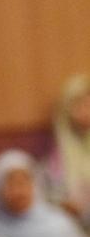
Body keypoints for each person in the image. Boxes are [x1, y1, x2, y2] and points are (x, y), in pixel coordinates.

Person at [47, 74, 90, 227]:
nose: (87, 111)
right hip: (75, 225)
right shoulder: (58, 155)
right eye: (80, 105)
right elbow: (57, 200)